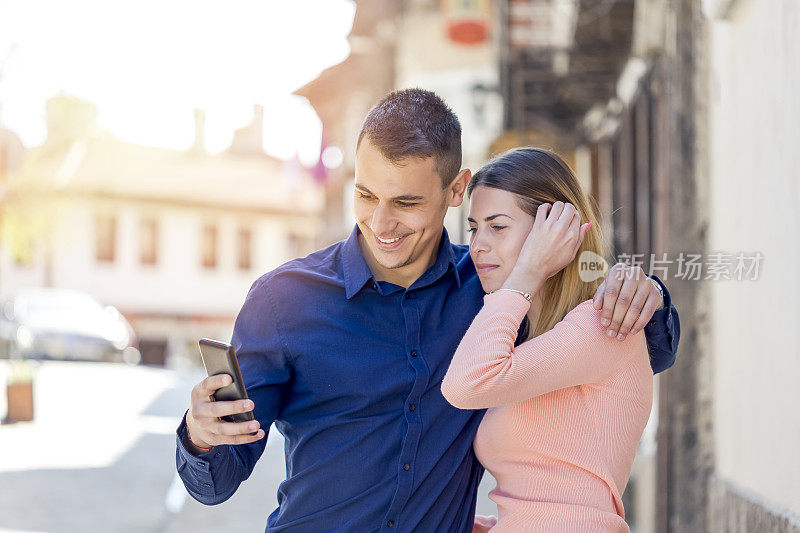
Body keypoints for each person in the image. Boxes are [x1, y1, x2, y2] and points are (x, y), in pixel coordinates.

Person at [174, 89, 680, 532]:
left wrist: (644, 292)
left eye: (407, 202)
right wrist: (200, 436)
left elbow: (632, 351)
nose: (382, 221)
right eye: (366, 194)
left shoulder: (492, 291)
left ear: (456, 191)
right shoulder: (283, 301)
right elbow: (216, 483)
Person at [441, 147, 658, 532]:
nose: (477, 245)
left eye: (498, 226)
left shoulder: (601, 326)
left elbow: (464, 385)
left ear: (555, 229)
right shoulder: (537, 341)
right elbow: (557, 492)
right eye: (475, 227)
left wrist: (529, 269)